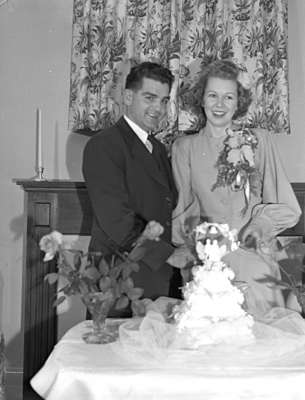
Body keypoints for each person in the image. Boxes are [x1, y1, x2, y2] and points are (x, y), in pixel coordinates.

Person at [171, 59, 301, 317]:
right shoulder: (183, 147)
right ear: (202, 99)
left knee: (259, 345)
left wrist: (259, 227)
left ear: (238, 102)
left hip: (254, 256)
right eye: (213, 95)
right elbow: (184, 211)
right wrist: (198, 250)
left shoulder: (258, 141)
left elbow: (288, 208)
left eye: (228, 97)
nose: (220, 105)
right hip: (208, 261)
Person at [82, 61, 181, 302]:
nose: (158, 108)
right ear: (127, 96)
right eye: (149, 97)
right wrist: (170, 256)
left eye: (164, 100)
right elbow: (117, 219)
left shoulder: (157, 148)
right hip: (120, 277)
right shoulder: (103, 145)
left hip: (158, 275)